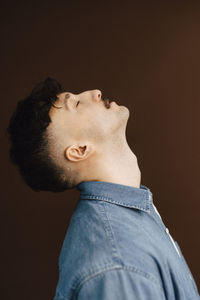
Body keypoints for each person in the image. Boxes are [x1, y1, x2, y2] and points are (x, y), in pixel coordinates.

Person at [7, 77, 200, 299]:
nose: (95, 92)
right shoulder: (118, 268)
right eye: (77, 103)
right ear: (79, 150)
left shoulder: (130, 213)